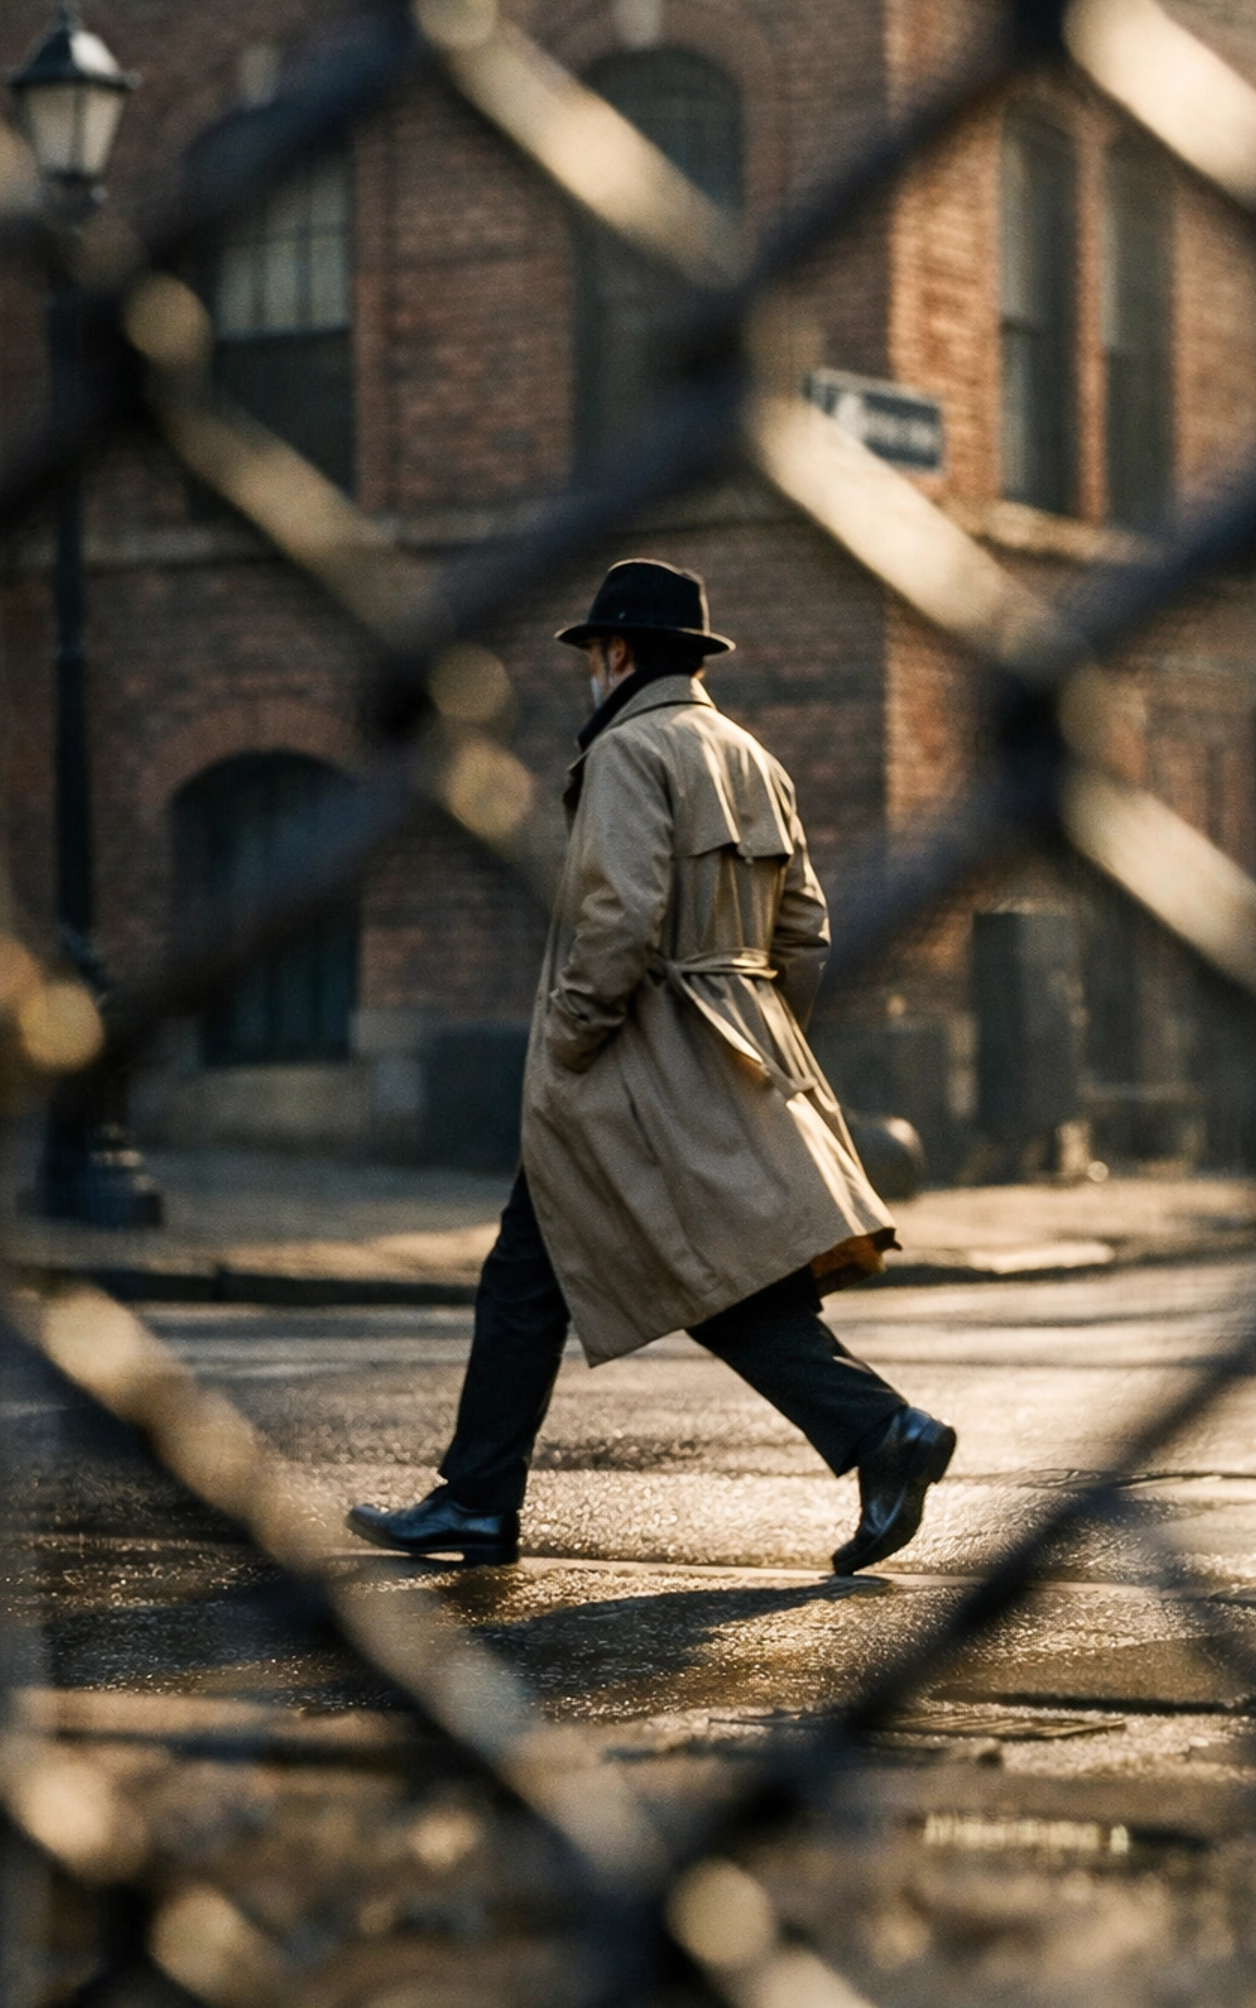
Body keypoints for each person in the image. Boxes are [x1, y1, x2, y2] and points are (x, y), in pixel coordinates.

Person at [349, 559, 955, 1577]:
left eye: (595, 655)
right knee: (548, 1274)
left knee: (677, 1277)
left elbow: (617, 918)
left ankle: (880, 1430)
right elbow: (804, 933)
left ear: (618, 653)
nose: (593, 672)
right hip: (736, 1045)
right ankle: (479, 1501)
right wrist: (748, 1033)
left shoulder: (630, 750)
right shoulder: (751, 755)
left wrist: (577, 1043)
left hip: (628, 1065)